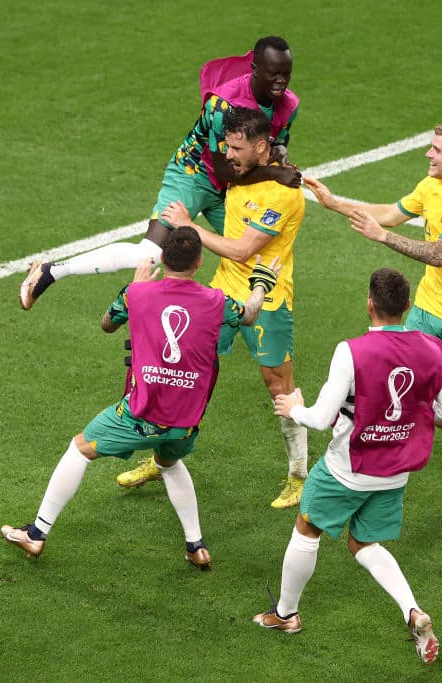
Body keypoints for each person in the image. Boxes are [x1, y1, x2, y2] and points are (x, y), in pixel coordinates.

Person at [0, 227, 280, 569]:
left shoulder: (138, 293)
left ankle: (37, 533)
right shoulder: (216, 302)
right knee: (169, 462)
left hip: (140, 415)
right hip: (185, 422)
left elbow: (107, 323)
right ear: (199, 263)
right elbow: (249, 314)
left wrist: (136, 285)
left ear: (163, 258)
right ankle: (196, 545)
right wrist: (262, 283)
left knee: (80, 449)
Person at [254, 268, 442, 664]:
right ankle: (413, 611)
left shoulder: (351, 351)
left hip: (347, 468)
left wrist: (294, 407)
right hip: (396, 471)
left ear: (369, 304)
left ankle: (285, 614)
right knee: (363, 542)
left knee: (308, 526)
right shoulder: (429, 347)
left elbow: (322, 419)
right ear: (407, 307)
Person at [19, 36, 300, 310]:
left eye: (286, 74)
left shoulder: (289, 105)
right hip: (194, 173)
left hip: (232, 187)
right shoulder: (223, 105)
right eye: (274, 74)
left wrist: (280, 155)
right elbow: (226, 169)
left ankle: (232, 318)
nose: (281, 82)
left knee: (252, 251)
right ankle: (52, 271)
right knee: (151, 254)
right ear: (255, 69)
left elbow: (271, 147)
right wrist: (275, 175)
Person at [117, 106, 308, 509]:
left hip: (267, 297)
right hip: (222, 292)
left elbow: (242, 251)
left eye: (237, 148)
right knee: (184, 370)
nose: (229, 155)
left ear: (261, 146)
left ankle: (299, 475)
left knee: (279, 386)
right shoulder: (248, 168)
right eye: (227, 146)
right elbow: (237, 169)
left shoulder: (285, 195)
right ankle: (162, 458)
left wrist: (190, 226)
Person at [304, 121, 442, 481]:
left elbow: (441, 253)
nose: (428, 153)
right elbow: (391, 214)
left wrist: (382, 238)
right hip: (427, 306)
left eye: (437, 149)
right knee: (403, 381)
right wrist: (336, 204)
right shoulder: (431, 186)